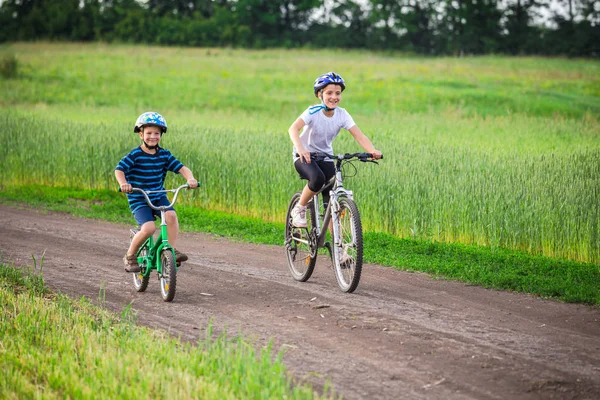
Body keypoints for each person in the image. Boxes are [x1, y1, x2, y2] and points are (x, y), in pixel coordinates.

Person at [288, 72, 382, 228]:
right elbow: (293, 129)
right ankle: (300, 208)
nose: (334, 97)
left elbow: (359, 136)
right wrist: (301, 149)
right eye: (329, 93)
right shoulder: (313, 111)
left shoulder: (342, 114)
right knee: (317, 178)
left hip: (325, 157)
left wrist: (372, 150)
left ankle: (339, 249)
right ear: (320, 94)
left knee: (331, 205)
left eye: (338, 93)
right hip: (304, 156)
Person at [115, 111, 198, 273]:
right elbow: (119, 170)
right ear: (141, 134)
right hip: (139, 198)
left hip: (158, 196)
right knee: (149, 229)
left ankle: (171, 251)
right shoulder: (135, 155)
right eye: (148, 133)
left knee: (171, 216)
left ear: (161, 135)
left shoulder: (164, 155)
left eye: (156, 133)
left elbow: (181, 168)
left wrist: (190, 179)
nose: (153, 136)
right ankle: (130, 255)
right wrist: (123, 183)